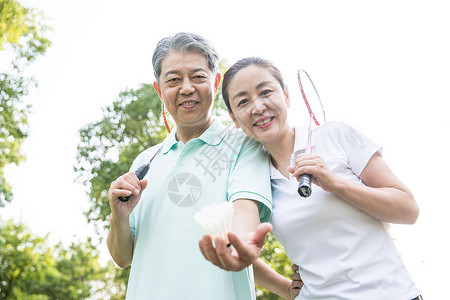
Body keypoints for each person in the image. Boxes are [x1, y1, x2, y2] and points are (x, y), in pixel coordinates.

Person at [200, 56, 422, 299]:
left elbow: (408, 210)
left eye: (265, 92)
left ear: (286, 95)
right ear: (235, 119)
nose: (257, 107)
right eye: (243, 101)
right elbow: (238, 248)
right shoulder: (250, 176)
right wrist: (285, 287)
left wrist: (335, 184)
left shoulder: (336, 135)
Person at [107, 33, 274, 299]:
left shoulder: (244, 144)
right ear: (159, 90)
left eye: (198, 77)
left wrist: (242, 244)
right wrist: (120, 216)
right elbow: (122, 257)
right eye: (173, 80)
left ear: (216, 82)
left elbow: (246, 214)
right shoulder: (145, 161)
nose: (187, 88)